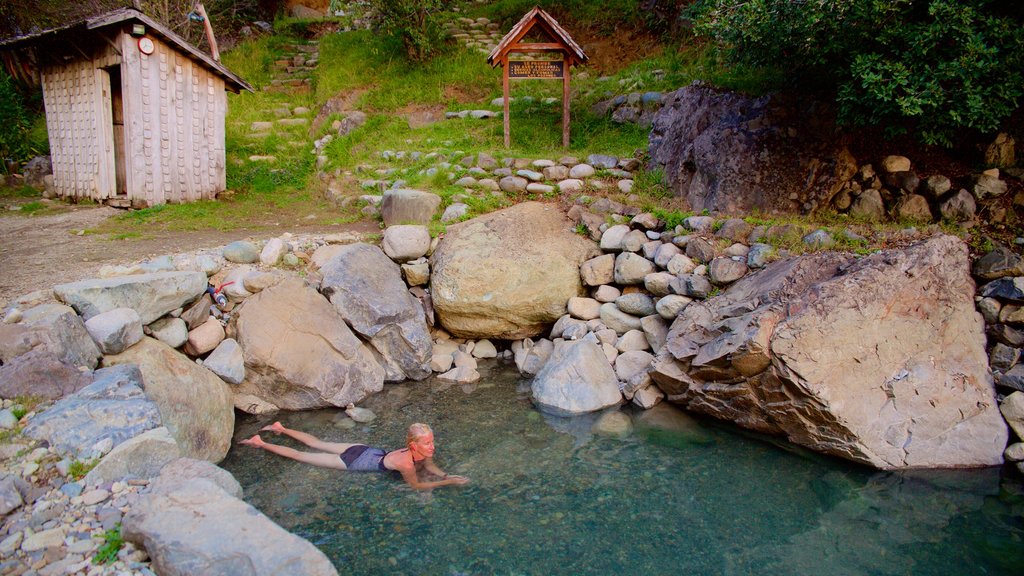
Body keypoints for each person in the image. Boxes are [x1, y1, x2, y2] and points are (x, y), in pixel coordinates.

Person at [240, 421, 469, 490]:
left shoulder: (417, 452)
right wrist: (448, 482)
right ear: (413, 445)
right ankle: (260, 442)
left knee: (317, 442)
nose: (432, 447)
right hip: (354, 460)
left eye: (432, 441)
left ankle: (280, 428)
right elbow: (417, 486)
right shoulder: (405, 463)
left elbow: (429, 464)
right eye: (428, 443)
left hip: (366, 449)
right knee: (301, 455)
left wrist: (447, 473)